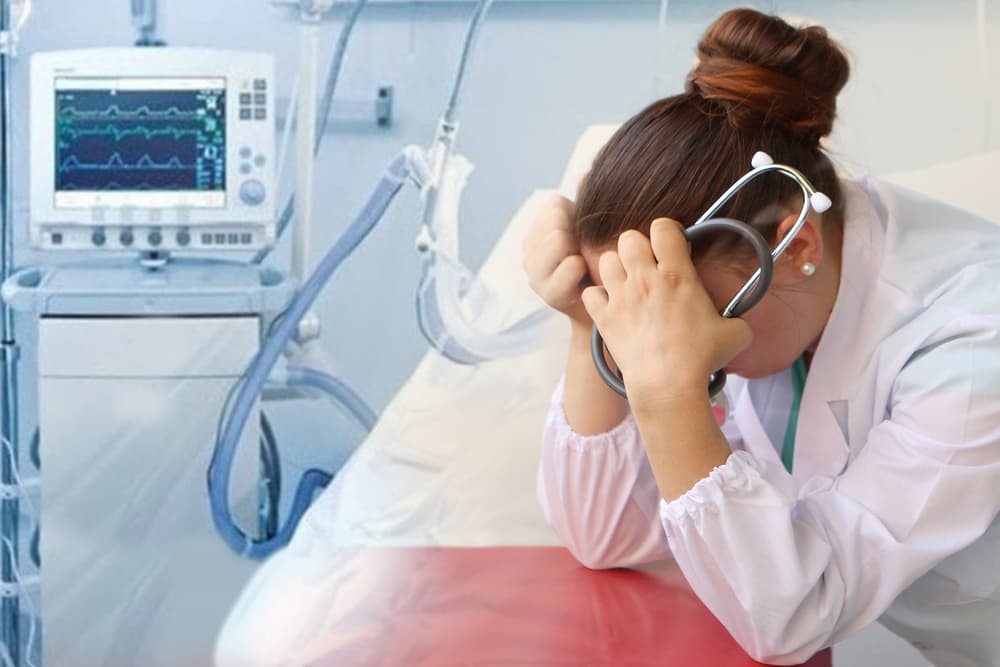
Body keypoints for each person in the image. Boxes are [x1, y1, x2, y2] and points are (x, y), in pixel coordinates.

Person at [524, 8, 1000, 666]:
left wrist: (669, 397)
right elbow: (603, 534)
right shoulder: (794, 294)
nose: (657, 340)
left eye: (685, 310)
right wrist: (590, 322)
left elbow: (795, 614)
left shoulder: (972, 346)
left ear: (793, 244)